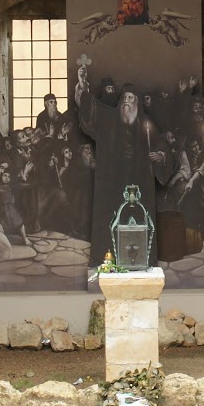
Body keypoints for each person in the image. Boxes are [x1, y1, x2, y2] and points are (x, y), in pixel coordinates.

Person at [75, 58, 175, 260]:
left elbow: (161, 144)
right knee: (111, 220)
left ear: (137, 102)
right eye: (125, 97)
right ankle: (109, 259)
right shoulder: (109, 120)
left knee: (139, 222)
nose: (127, 101)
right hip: (112, 181)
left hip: (140, 183)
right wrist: (83, 85)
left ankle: (139, 260)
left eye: (131, 97)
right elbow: (91, 110)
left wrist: (161, 156)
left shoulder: (146, 124)